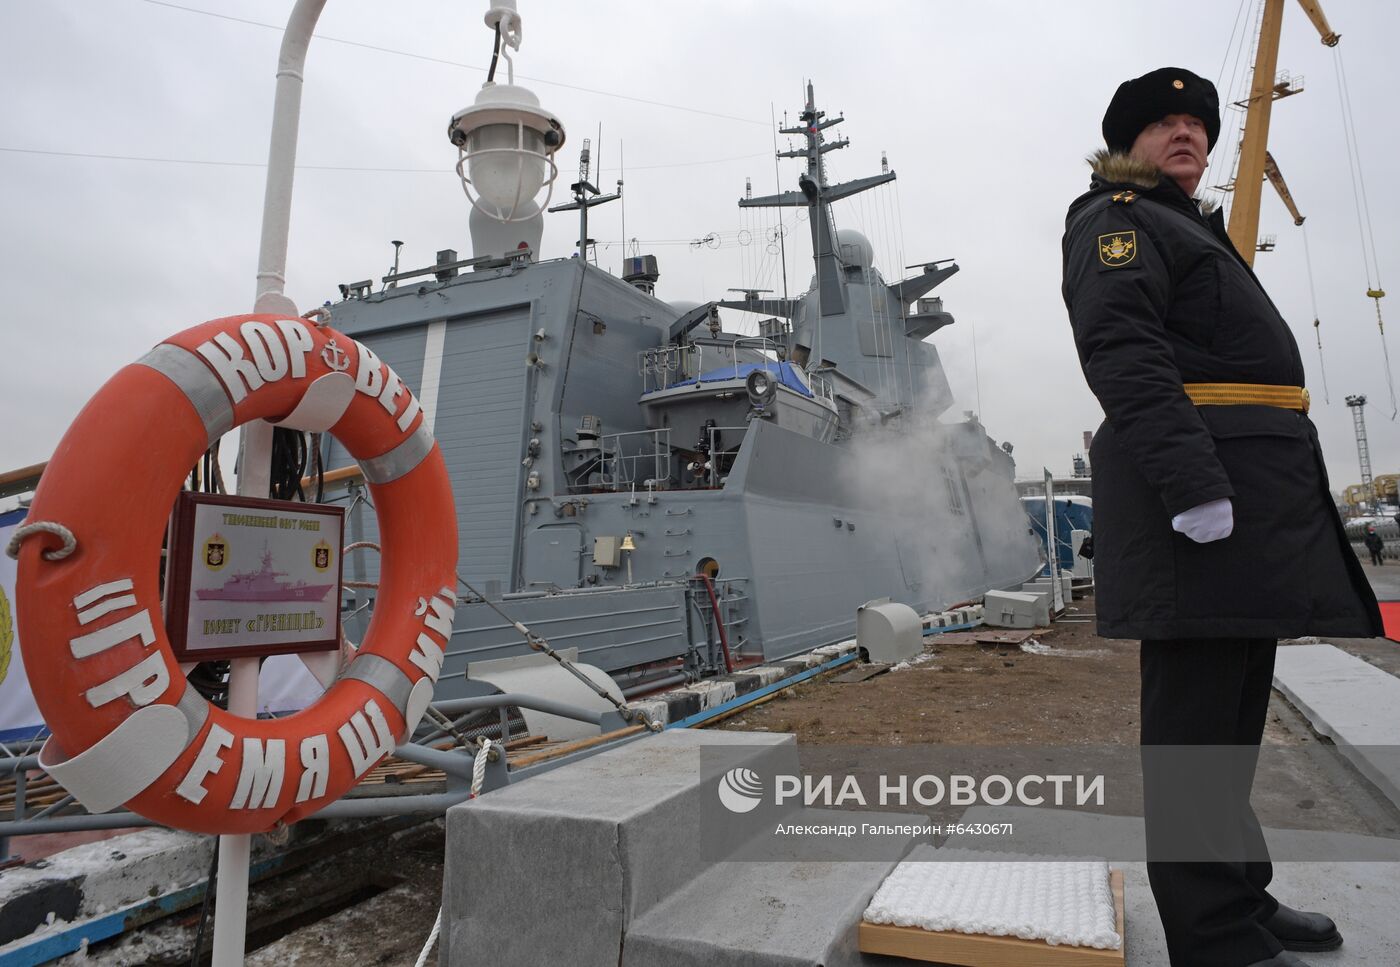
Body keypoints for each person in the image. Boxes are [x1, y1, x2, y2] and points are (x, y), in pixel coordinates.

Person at [1061, 67, 1382, 967]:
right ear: (1127, 145)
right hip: (1200, 505)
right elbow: (1122, 352)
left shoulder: (1180, 223)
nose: (1188, 135)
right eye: (1165, 123)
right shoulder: (1115, 222)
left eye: (1198, 124)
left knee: (1233, 717)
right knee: (1196, 729)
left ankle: (1240, 893)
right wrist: (1192, 485)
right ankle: (1212, 935)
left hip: (1243, 502)